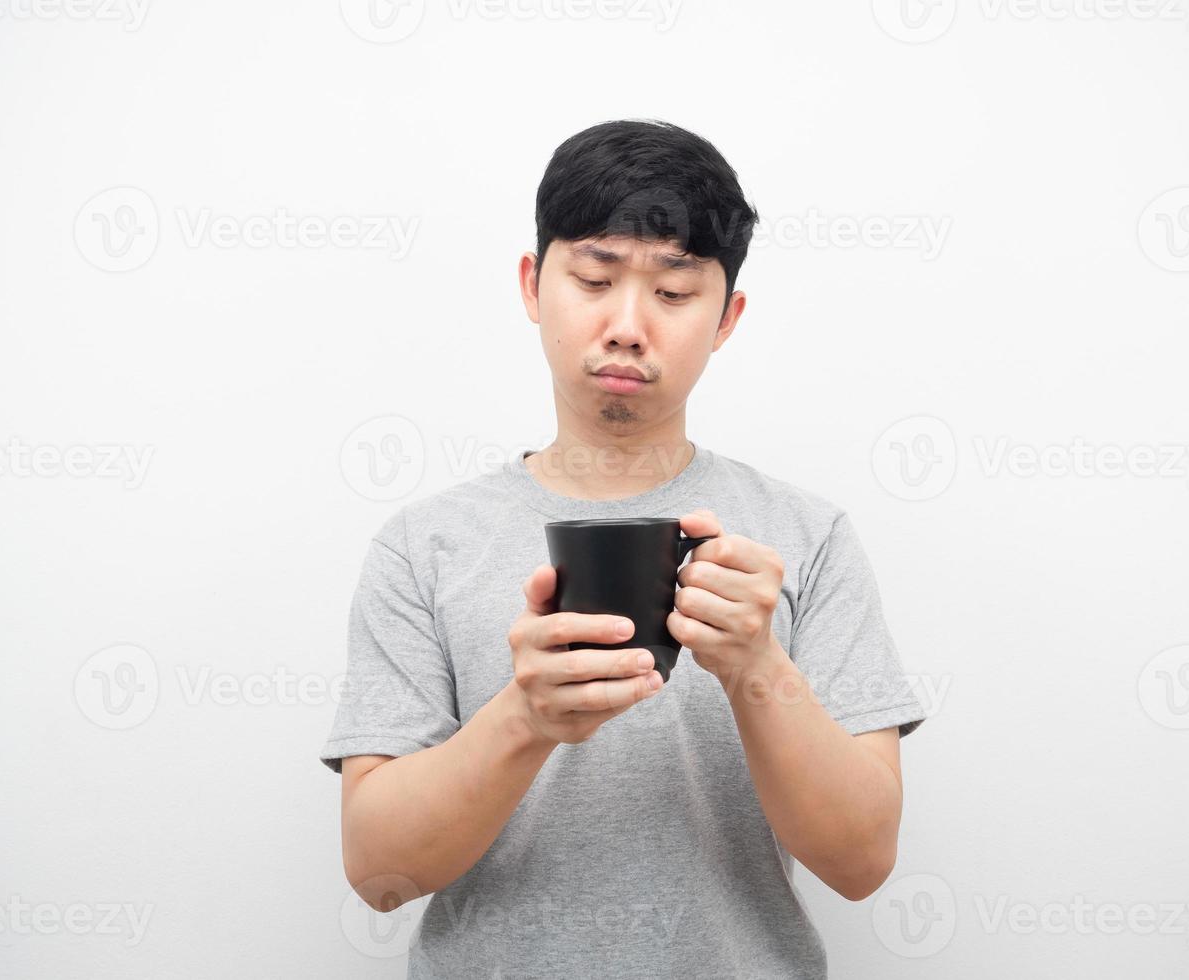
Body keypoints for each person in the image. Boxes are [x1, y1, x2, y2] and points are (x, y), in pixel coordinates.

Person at [320, 118, 927, 979]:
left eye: (675, 294)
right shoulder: (423, 546)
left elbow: (860, 864)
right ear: (534, 285)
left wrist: (756, 665)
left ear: (726, 318)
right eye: (594, 278)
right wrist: (522, 718)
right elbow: (379, 874)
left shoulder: (805, 538)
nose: (628, 325)